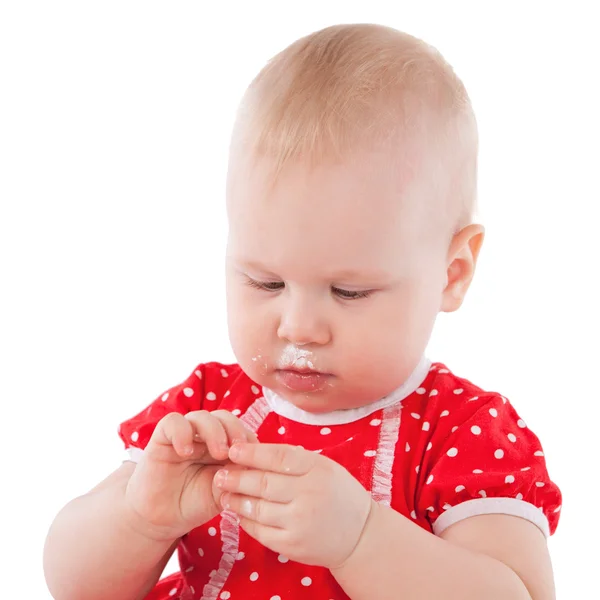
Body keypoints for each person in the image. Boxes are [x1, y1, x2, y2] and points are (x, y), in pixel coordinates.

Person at [44, 23, 561, 600]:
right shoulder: (203, 412)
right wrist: (140, 517)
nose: (298, 327)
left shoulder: (460, 430)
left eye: (349, 292)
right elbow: (74, 587)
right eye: (266, 281)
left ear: (452, 272)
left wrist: (362, 539)